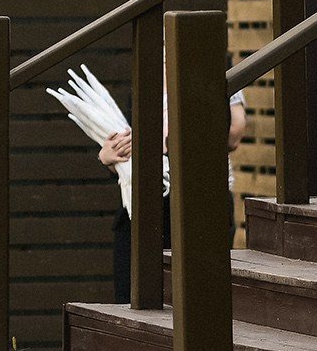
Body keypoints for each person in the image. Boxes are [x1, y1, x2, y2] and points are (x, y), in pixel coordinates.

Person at [97, 89, 249, 303]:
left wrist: (162, 146)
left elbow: (233, 133)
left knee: (197, 299)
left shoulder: (214, 65)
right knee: (132, 300)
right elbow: (129, 143)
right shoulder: (143, 76)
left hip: (199, 203)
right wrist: (111, 156)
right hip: (139, 205)